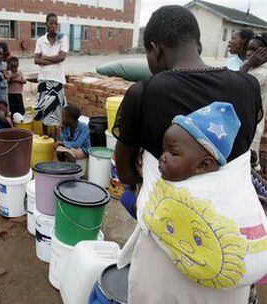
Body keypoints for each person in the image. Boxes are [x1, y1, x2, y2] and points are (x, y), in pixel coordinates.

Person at [113, 6, 263, 304]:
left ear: (155, 50)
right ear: (199, 45)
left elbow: (125, 170)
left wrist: (136, 180)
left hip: (167, 247)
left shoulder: (145, 93)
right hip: (230, 251)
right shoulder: (248, 86)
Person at [34, 12, 68, 134]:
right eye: (51, 23)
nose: (53, 26)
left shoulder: (62, 38)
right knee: (43, 108)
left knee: (55, 111)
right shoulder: (40, 40)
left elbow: (62, 57)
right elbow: (36, 60)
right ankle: (44, 136)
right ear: (46, 24)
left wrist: (45, 58)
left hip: (57, 79)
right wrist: (53, 59)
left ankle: (55, 138)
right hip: (43, 78)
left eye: (55, 23)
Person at [240, 33, 267, 169]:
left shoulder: (262, 72)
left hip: (251, 125)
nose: (249, 53)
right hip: (248, 122)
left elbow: (237, 84)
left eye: (254, 50)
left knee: (246, 163)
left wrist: (247, 65)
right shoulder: (255, 68)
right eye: (248, 49)